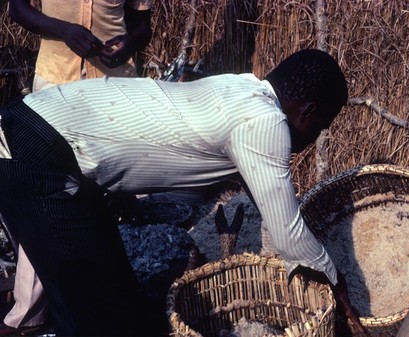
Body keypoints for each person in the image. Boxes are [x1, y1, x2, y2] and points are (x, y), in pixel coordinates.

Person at [0, 49, 365, 335]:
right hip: (39, 152)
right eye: (319, 127)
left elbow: (269, 202)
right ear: (308, 110)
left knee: (119, 297)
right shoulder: (264, 122)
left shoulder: (242, 88)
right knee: (97, 316)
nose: (313, 137)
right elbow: (289, 237)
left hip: (40, 129)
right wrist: (337, 282)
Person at [1, 0, 152, 334]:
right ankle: (28, 312)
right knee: (45, 197)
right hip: (56, 84)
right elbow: (17, 9)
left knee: (108, 200)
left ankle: (110, 307)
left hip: (115, 88)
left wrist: (129, 44)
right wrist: (64, 30)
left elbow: (143, 25)